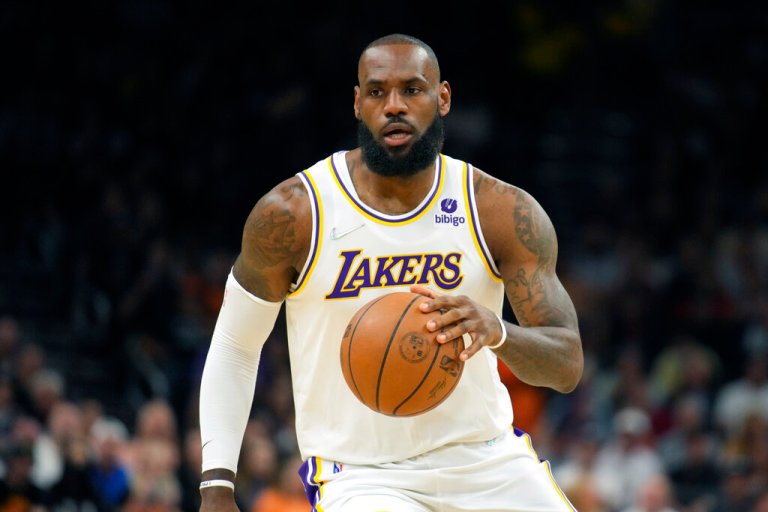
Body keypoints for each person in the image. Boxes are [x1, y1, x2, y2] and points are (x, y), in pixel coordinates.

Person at [198, 33, 584, 512]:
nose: (394, 106)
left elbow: (567, 363)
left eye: (413, 89)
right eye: (378, 92)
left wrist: (498, 331)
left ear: (443, 98)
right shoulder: (295, 213)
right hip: (361, 475)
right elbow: (236, 346)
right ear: (358, 104)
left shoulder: (499, 211)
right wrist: (216, 485)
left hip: (486, 461)